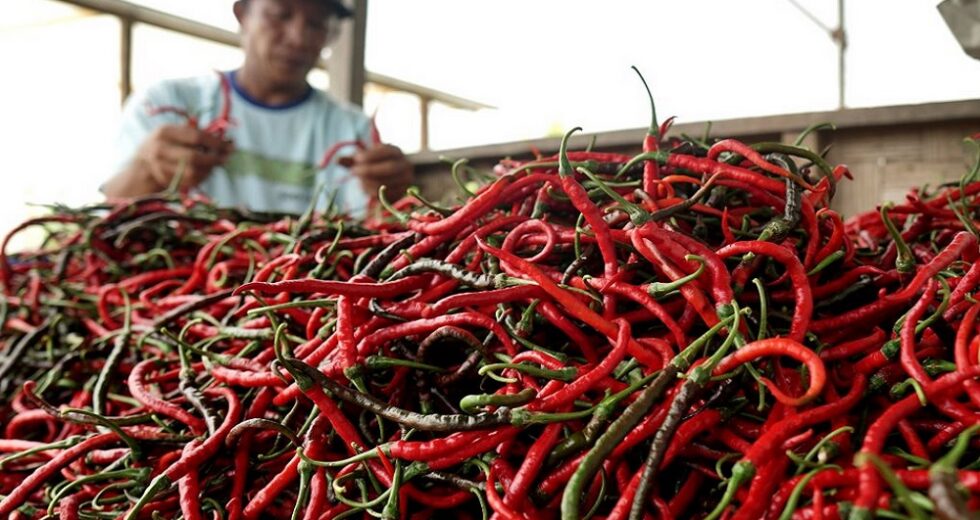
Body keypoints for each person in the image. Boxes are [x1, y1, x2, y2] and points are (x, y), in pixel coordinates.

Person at [103, 0, 413, 217]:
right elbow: (106, 217)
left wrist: (389, 195)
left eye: (316, 24)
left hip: (303, 293)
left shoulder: (351, 129)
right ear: (243, 14)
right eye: (280, 14)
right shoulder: (168, 103)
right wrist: (148, 170)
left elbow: (369, 231)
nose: (298, 38)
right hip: (181, 291)